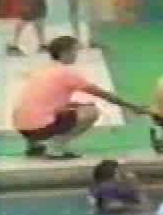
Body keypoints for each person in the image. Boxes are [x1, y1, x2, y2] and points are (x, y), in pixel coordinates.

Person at [12, 36, 150, 159]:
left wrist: (75, 105)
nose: (76, 55)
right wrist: (133, 107)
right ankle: (56, 147)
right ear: (65, 53)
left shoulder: (43, 70)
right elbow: (105, 95)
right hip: (39, 128)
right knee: (91, 112)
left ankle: (33, 145)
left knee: (61, 108)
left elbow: (46, 102)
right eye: (74, 51)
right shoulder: (66, 73)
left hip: (22, 128)